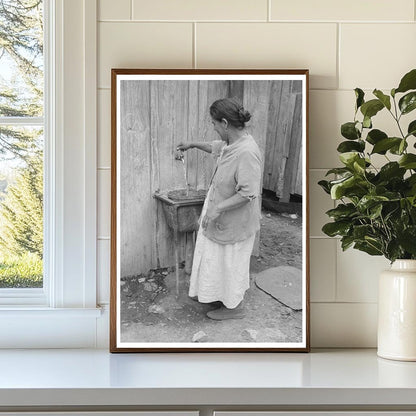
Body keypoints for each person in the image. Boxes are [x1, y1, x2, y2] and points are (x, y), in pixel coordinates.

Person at [177, 97, 262, 320]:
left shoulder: (247, 152)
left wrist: (217, 209)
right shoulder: (231, 144)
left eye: (213, 123)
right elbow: (216, 147)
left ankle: (234, 308)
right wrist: (193, 144)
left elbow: (248, 192)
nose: (213, 127)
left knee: (230, 263)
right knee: (215, 259)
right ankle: (214, 294)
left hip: (234, 219)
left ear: (224, 123)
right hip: (221, 213)